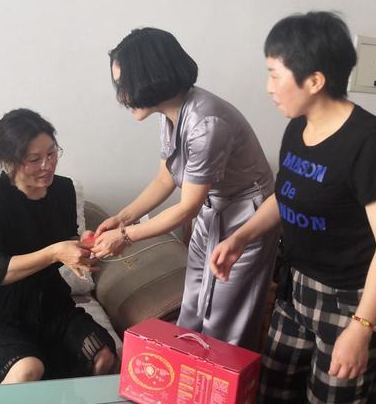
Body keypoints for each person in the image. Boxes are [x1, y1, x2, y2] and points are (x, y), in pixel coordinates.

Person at [209, 12, 376, 404]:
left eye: (275, 74)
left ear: (315, 80)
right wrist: (241, 237)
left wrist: (361, 329)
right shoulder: (297, 128)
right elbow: (287, 195)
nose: (268, 87)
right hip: (299, 289)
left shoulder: (370, 143)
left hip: (353, 298)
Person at [92, 27, 277, 349]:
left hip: (246, 219)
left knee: (225, 322)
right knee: (193, 307)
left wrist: (125, 237)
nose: (121, 97)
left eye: (125, 85)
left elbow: (187, 207)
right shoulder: (171, 113)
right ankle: (190, 375)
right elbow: (165, 179)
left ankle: (220, 380)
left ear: (152, 76)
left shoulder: (206, 123)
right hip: (212, 211)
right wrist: (122, 218)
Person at [0, 109, 116, 384]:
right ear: (9, 161)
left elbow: (67, 242)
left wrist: (86, 247)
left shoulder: (63, 189)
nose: (47, 165)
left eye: (52, 154)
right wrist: (54, 252)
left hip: (50, 304)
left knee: (102, 355)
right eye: (34, 159)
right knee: (29, 369)